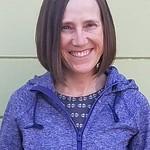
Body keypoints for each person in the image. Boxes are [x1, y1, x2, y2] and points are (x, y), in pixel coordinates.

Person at [0, 0, 150, 149]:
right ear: (49, 33)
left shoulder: (132, 104)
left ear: (105, 29)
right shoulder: (24, 102)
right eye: (66, 27)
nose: (79, 40)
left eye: (90, 25)